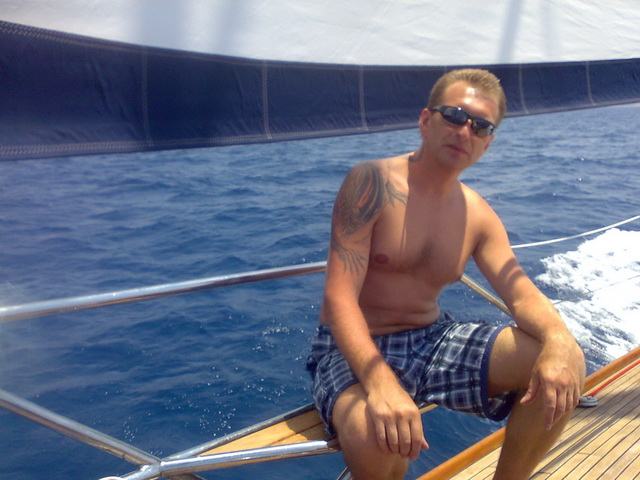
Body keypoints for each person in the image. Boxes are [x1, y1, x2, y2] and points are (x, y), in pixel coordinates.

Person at [306, 68, 586, 480]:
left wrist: (559, 340)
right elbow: (339, 298)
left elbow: (521, 293)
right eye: (454, 116)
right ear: (425, 121)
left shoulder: (478, 215)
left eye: (480, 126)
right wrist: (381, 383)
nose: (464, 131)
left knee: (565, 362)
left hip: (431, 339)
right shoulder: (371, 183)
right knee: (373, 437)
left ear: (488, 143)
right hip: (352, 346)